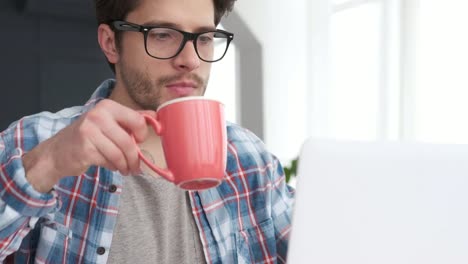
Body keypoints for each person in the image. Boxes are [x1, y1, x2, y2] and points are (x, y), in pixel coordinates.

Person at [0, 0, 295, 263]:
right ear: (111, 43)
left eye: (204, 38)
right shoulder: (37, 141)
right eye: (162, 35)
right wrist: (48, 164)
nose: (191, 60)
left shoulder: (248, 157)